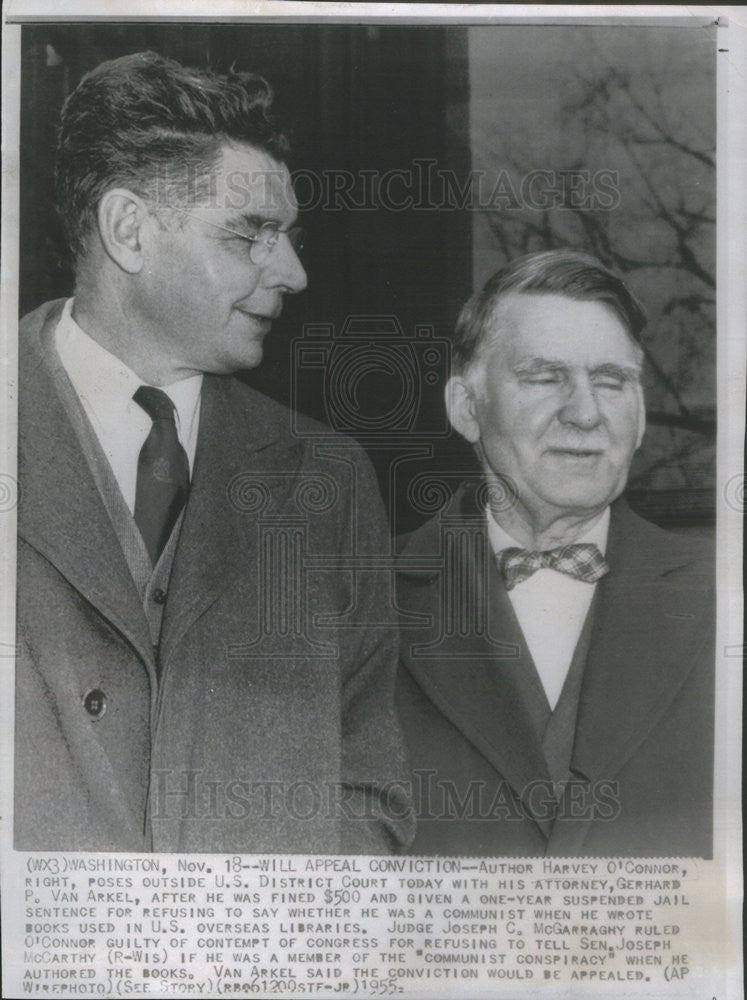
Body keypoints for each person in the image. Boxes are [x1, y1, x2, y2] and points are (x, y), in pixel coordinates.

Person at [16, 51, 413, 853]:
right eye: (250, 234)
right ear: (129, 231)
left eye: (289, 235)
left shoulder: (328, 481)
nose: (294, 272)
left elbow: (372, 794)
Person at [396, 250, 714, 857]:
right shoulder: (353, 601)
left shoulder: (727, 599)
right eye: (545, 377)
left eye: (611, 381)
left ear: (641, 415)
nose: (585, 412)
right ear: (467, 408)